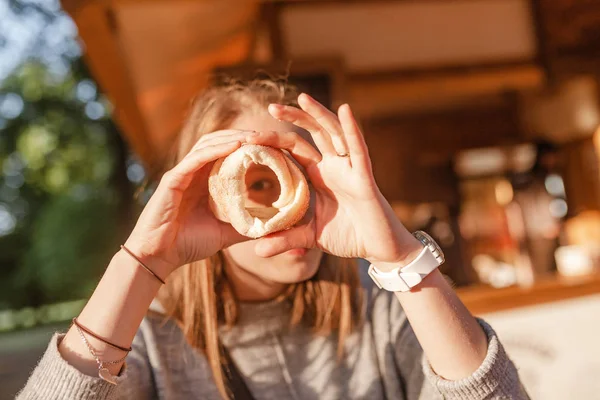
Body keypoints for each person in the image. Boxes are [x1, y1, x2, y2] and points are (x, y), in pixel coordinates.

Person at [18, 78, 528, 399]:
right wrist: (144, 262)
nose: (298, 208)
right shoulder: (150, 345)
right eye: (259, 183)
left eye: (311, 177)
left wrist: (399, 256)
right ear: (207, 195)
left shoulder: (380, 309)